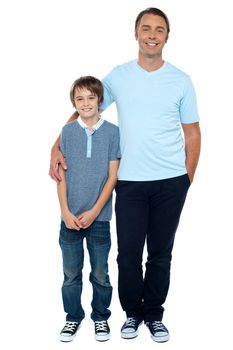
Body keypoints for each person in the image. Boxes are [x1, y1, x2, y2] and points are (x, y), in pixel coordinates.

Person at [50, 8, 201, 343]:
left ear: (166, 36)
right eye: (146, 28)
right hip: (129, 181)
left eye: (159, 30)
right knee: (129, 254)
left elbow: (192, 133)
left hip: (170, 182)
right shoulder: (119, 76)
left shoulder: (181, 80)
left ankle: (154, 315)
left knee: (161, 253)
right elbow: (87, 106)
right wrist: (55, 145)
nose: (152, 34)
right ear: (136, 34)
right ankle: (132, 314)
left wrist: (186, 178)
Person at [57, 76, 120, 343]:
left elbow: (113, 177)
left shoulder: (113, 132)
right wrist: (65, 212)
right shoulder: (67, 132)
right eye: (79, 99)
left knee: (100, 273)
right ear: (74, 103)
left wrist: (95, 211)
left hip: (100, 218)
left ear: (100, 100)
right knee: (71, 274)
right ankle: (73, 317)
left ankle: (101, 317)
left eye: (90, 98)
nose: (85, 103)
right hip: (69, 219)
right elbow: (60, 176)